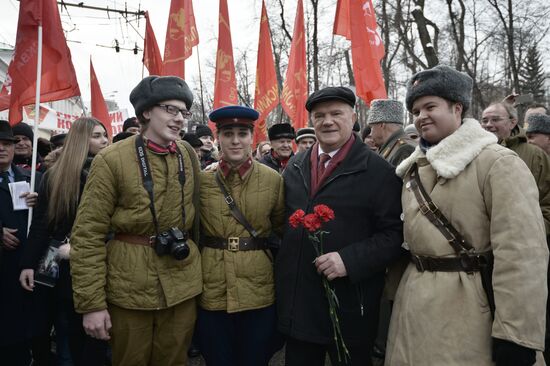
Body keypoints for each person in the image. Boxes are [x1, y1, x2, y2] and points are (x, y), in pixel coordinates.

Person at [385, 65, 548, 365]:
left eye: (430, 106)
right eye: (416, 110)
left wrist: (516, 336)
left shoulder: (498, 163)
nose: (421, 117)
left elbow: (522, 255)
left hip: (471, 312)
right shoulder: (411, 169)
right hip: (411, 311)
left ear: (457, 108)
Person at [70, 76, 202, 366]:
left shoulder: (188, 154)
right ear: (145, 112)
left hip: (182, 285)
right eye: (170, 109)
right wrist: (91, 304)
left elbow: (199, 218)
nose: (179, 118)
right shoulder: (111, 160)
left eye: (183, 112)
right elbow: (87, 235)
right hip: (128, 289)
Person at [276, 87, 404, 366]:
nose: (327, 121)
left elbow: (395, 235)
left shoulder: (378, 171)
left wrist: (349, 259)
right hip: (301, 307)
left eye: (336, 113)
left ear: (353, 116)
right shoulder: (296, 165)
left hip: (349, 306)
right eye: (319, 115)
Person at [196, 105, 285, 365]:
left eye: (243, 133)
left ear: (252, 138)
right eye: (228, 133)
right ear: (218, 138)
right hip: (213, 287)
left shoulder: (273, 180)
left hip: (258, 288)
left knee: (255, 358)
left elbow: (280, 227)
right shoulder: (202, 182)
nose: (235, 140)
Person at [19, 117, 110, 366]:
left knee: (96, 338)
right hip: (59, 265)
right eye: (97, 136)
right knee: (67, 329)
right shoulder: (54, 176)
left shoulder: (112, 173)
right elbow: (41, 225)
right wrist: (28, 265)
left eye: (105, 135)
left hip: (99, 262)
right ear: (81, 140)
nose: (104, 141)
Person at [0, 120, 40, 365]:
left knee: (19, 343)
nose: (2, 149)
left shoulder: (32, 179)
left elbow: (44, 223)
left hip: (22, 270)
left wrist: (40, 201)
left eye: (7, 144)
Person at [481, 101, 550, 233]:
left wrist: (534, 232)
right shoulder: (473, 153)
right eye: (484, 120)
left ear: (512, 123)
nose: (488, 125)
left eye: (495, 119)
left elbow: (547, 201)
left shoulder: (535, 155)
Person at [367, 99, 416, 166]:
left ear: (382, 125)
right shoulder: (393, 146)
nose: (370, 134)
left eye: (371, 128)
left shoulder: (404, 149)